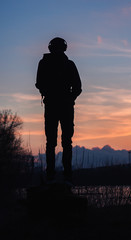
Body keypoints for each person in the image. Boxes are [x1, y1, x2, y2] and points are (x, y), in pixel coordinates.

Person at [36, 37, 82, 184]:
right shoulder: (68, 64)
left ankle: (53, 175)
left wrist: (49, 93)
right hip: (64, 106)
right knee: (65, 142)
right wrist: (70, 98)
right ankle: (65, 175)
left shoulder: (45, 63)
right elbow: (78, 87)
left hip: (54, 105)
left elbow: (39, 84)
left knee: (52, 142)